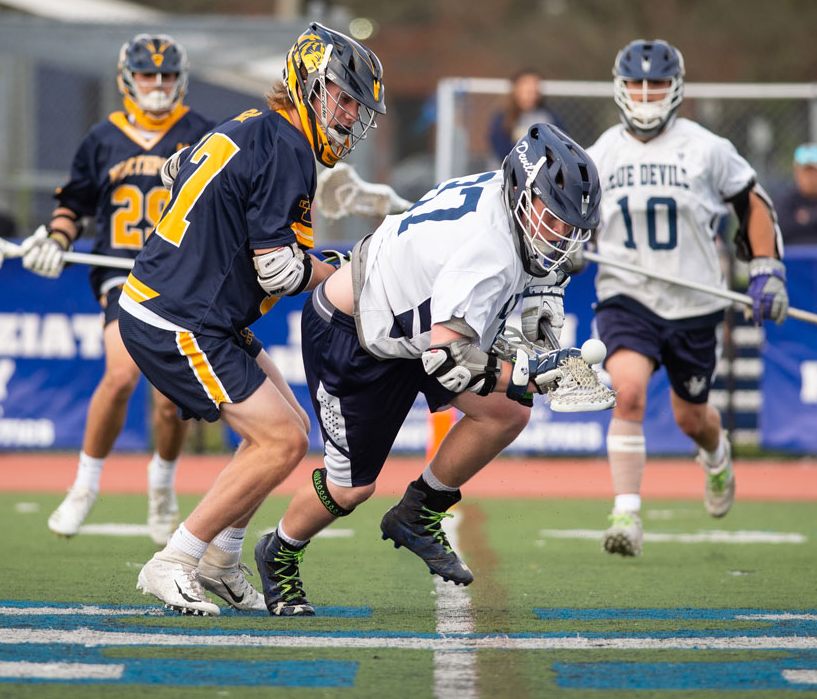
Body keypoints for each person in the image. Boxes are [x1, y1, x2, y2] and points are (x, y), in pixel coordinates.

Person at [253, 122, 603, 616]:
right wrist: (529, 373)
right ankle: (279, 552)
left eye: (571, 226)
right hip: (356, 335)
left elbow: (538, 265)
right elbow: (449, 361)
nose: (562, 236)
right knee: (350, 487)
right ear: (525, 195)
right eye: (554, 218)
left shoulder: (504, 196)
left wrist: (544, 291)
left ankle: (417, 513)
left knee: (506, 413)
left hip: (413, 319)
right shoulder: (488, 253)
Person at [118, 22, 386, 617]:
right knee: (281, 440)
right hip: (178, 315)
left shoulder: (253, 125)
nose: (347, 116)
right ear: (307, 84)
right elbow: (282, 275)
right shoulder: (288, 147)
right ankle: (176, 558)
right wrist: (347, 267)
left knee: (291, 429)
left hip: (199, 310)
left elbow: (177, 168)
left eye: (354, 105)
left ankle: (221, 557)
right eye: (340, 97)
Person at [582, 39, 787, 558]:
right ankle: (626, 512)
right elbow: (570, 215)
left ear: (675, 89)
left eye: (656, 85)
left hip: (694, 303)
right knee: (625, 393)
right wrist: (569, 248)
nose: (646, 95)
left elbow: (753, 202)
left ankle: (716, 456)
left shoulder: (706, 148)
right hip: (627, 297)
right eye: (636, 84)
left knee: (690, 419)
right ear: (619, 87)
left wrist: (767, 269)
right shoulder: (601, 153)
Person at [20, 34, 216, 554]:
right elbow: (73, 203)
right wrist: (57, 238)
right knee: (120, 374)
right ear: (128, 79)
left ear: (181, 79)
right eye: (149, 75)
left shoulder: (201, 133)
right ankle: (85, 484)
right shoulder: (102, 138)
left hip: (178, 277)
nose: (157, 85)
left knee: (172, 405)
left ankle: (162, 485)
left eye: (167, 75)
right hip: (120, 274)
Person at [487, 69, 566, 163]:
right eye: (526, 87)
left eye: (534, 87)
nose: (531, 91)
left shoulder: (547, 116)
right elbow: (499, 145)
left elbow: (561, 142)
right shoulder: (504, 117)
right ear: (516, 89)